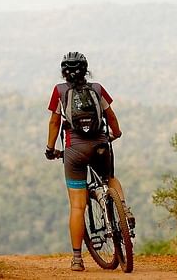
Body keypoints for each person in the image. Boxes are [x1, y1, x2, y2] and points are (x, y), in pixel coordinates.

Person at [45, 51, 135, 272]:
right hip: (100, 146)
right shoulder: (97, 89)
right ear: (86, 70)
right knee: (109, 178)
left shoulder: (59, 91)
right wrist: (117, 132)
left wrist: (50, 149)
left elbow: (55, 123)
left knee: (77, 206)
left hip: (74, 151)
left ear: (64, 73)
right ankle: (123, 209)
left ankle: (77, 259)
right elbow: (111, 116)